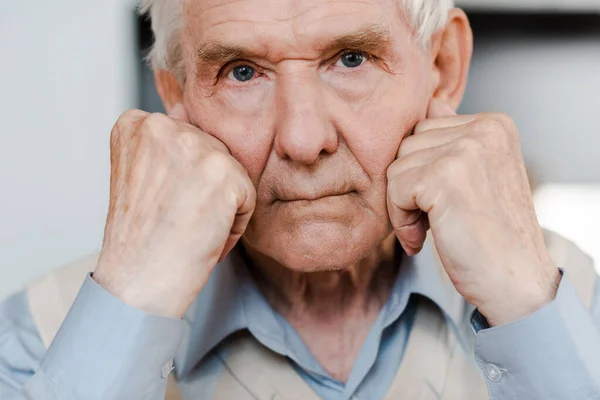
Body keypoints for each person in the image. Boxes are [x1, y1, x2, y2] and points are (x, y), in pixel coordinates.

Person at [1, 0, 599, 398]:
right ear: (176, 96)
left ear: (442, 67)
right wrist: (130, 301)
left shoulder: (577, 299)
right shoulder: (41, 332)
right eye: (241, 72)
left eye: (350, 59)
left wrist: (526, 307)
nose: (303, 139)